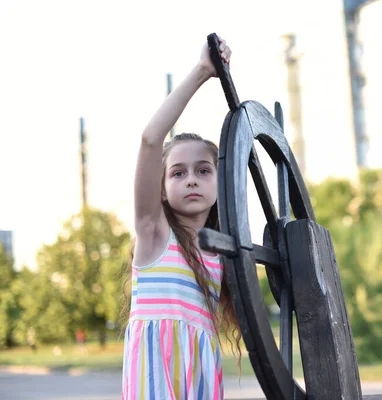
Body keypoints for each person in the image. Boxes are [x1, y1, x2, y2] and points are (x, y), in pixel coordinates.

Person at [121, 35, 240, 400]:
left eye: (203, 170)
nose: (191, 178)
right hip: (155, 373)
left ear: (220, 182)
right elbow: (150, 139)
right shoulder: (153, 233)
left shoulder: (222, 254)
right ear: (160, 188)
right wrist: (203, 71)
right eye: (178, 173)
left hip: (200, 371)